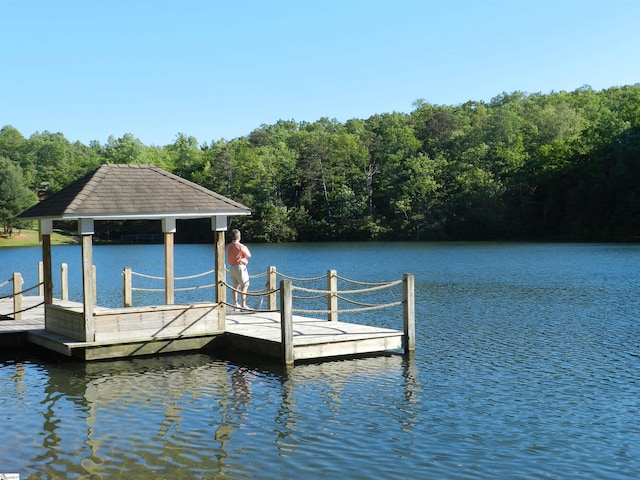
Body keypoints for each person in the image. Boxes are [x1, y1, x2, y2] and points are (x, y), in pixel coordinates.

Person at [226, 229, 251, 310]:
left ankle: (235, 303)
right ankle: (243, 304)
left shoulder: (229, 246)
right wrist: (244, 259)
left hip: (232, 267)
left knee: (235, 285)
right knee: (245, 285)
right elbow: (248, 255)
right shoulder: (240, 246)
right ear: (239, 237)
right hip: (240, 267)